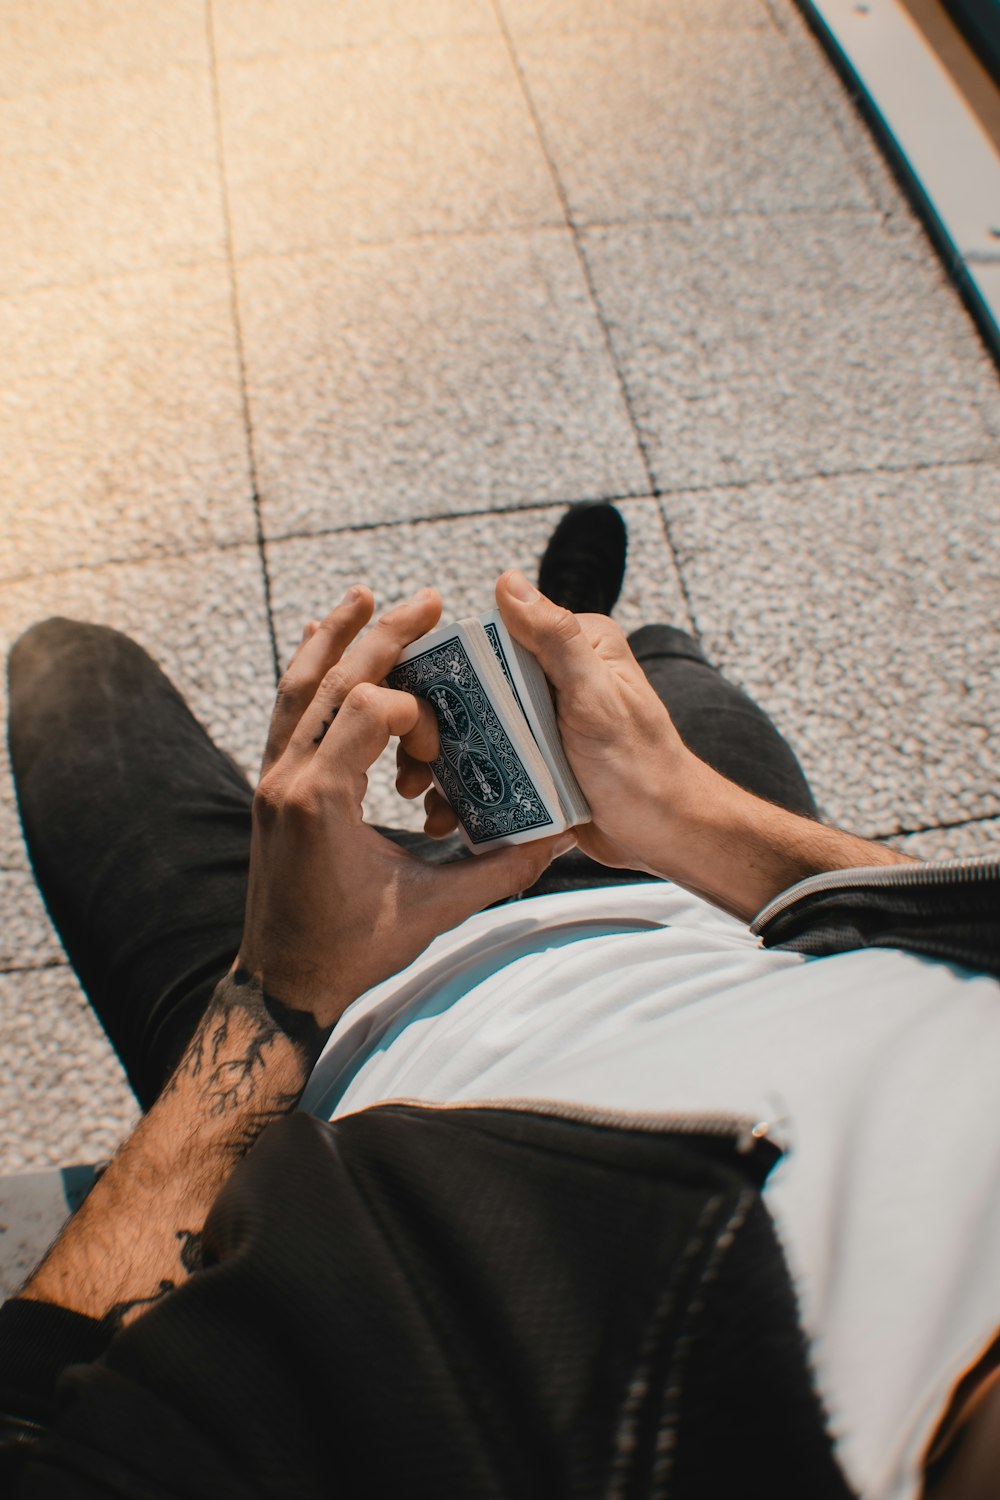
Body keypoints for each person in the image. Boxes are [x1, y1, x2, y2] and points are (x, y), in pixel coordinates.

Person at [0, 503, 997, 1500]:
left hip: (325, 1039)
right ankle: (574, 623)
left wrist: (278, 985)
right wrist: (684, 811)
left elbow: (38, 1414)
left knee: (68, 672)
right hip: (693, 886)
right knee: (667, 667)